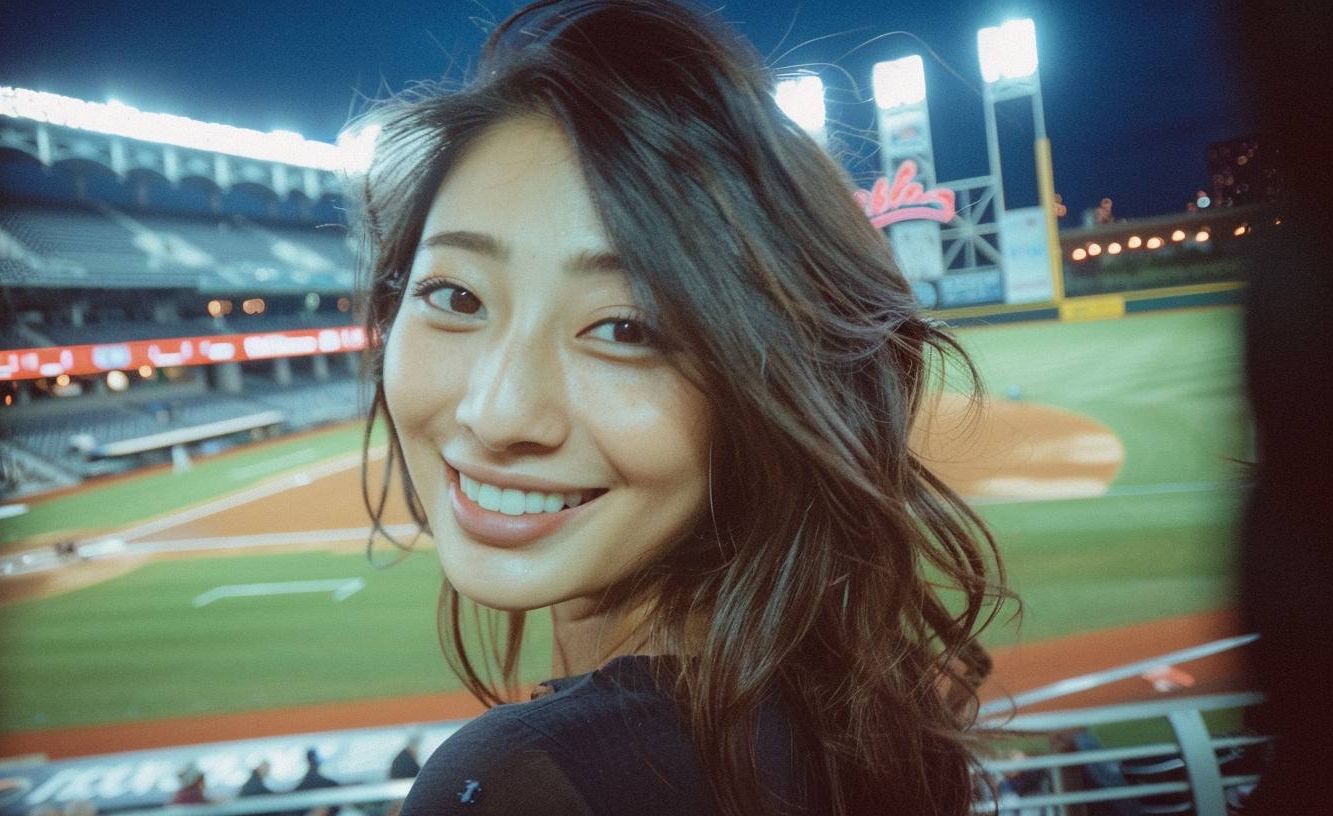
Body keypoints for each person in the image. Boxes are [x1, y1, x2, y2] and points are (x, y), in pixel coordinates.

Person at [348, 1, 1007, 813]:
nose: (497, 413)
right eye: (453, 295)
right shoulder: (875, 716)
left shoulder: (524, 782)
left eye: (625, 327)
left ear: (771, 384)